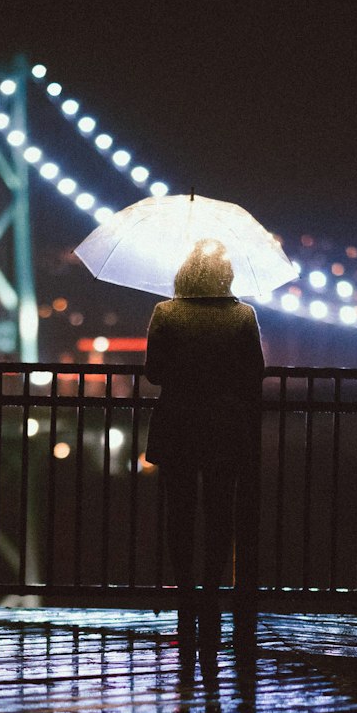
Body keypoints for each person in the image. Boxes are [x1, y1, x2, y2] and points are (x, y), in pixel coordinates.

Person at [144, 238, 265, 668]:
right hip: (225, 426)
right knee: (219, 514)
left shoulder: (166, 313)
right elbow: (254, 374)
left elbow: (154, 372)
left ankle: (185, 598)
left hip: (178, 424)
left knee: (180, 513)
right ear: (226, 275)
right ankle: (213, 595)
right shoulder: (243, 315)